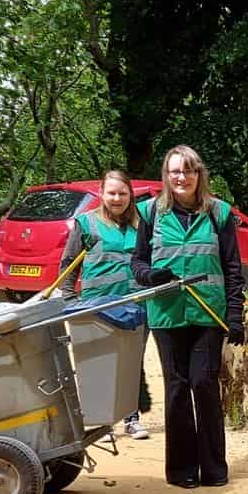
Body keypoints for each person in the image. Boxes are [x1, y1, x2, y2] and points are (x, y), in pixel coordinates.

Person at [132, 145, 246, 489]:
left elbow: (232, 268)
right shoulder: (151, 213)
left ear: (199, 174)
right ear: (166, 176)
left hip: (208, 313)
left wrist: (236, 315)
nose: (181, 177)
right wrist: (150, 276)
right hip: (166, 315)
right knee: (178, 388)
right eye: (174, 171)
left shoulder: (219, 214)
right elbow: (137, 263)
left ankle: (214, 467)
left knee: (204, 385)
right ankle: (181, 470)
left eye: (188, 170)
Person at [64, 168, 154, 440]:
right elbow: (68, 264)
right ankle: (100, 422)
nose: (117, 198)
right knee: (97, 362)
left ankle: (131, 418)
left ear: (130, 195)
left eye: (122, 193)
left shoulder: (142, 224)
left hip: (136, 305)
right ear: (101, 193)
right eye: (111, 193)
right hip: (97, 306)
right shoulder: (86, 223)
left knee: (131, 361)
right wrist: (69, 301)